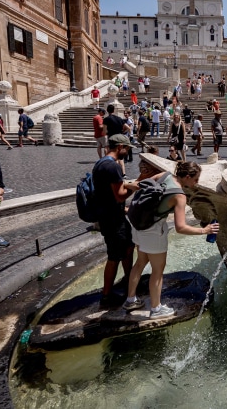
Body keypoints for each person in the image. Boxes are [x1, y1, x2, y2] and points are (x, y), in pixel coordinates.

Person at [123, 161, 219, 318]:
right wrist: (204, 230)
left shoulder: (164, 175)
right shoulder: (179, 196)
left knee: (140, 263)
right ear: (187, 177)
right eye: (195, 179)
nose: (197, 183)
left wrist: (124, 186)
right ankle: (156, 309)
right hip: (153, 230)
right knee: (158, 272)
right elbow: (181, 227)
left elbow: (139, 185)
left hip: (138, 223)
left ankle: (130, 299)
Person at [91, 134, 134, 306]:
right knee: (114, 256)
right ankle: (106, 296)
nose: (128, 152)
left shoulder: (101, 163)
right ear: (120, 147)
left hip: (110, 215)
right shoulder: (112, 167)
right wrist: (135, 187)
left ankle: (129, 280)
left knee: (128, 247)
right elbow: (119, 195)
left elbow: (106, 193)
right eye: (128, 148)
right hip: (112, 219)